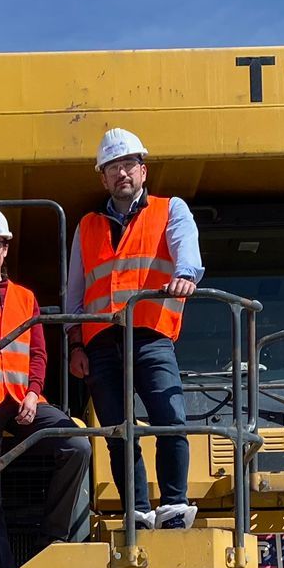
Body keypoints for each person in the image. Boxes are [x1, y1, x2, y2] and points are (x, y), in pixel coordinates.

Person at [67, 127, 204, 530]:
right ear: (103, 178)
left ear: (143, 170)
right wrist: (76, 343)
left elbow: (187, 250)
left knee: (169, 419)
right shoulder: (87, 226)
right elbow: (75, 292)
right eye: (112, 168)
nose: (121, 173)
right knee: (118, 431)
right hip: (101, 342)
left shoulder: (170, 209)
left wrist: (185, 276)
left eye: (128, 164)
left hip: (151, 333)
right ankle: (138, 512)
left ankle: (174, 507)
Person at [0, 204, 88, 568]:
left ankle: (52, 539)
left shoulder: (27, 298)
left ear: (6, 248)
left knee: (77, 444)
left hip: (21, 398)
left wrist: (33, 392)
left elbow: (38, 352)